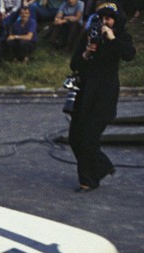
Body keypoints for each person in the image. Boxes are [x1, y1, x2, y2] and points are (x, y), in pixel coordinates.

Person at [68, 2, 136, 192]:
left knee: (89, 138)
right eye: (101, 18)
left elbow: (129, 54)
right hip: (84, 91)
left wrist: (112, 38)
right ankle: (102, 166)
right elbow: (74, 64)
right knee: (75, 137)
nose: (104, 22)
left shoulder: (121, 37)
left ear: (116, 21)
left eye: (108, 19)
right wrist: (85, 54)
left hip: (104, 94)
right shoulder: (90, 34)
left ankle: (88, 180)